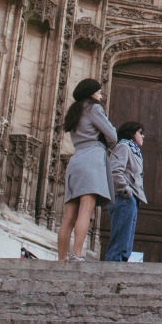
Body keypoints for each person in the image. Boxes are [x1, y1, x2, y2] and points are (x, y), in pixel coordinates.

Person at [57, 78, 118, 262]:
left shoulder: (74, 112)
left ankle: (61, 259)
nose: (101, 96)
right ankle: (77, 254)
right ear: (92, 93)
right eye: (99, 92)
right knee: (86, 210)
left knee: (68, 216)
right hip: (93, 159)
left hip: (76, 159)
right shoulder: (94, 108)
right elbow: (112, 135)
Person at [102, 120, 145, 262]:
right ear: (131, 133)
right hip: (124, 197)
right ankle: (113, 265)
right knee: (120, 239)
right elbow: (115, 171)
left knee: (126, 240)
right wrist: (126, 190)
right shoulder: (124, 147)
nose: (143, 136)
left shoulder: (133, 150)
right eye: (140, 132)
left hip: (131, 199)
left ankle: (119, 264)